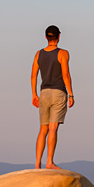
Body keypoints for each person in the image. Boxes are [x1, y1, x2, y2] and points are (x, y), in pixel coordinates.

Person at [31, 25, 74, 169]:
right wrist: (71, 94)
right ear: (59, 36)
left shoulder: (39, 54)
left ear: (46, 37)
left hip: (44, 93)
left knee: (43, 129)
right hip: (58, 92)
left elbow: (33, 75)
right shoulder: (63, 53)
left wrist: (34, 94)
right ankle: (49, 162)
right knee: (53, 128)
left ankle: (37, 164)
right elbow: (66, 75)